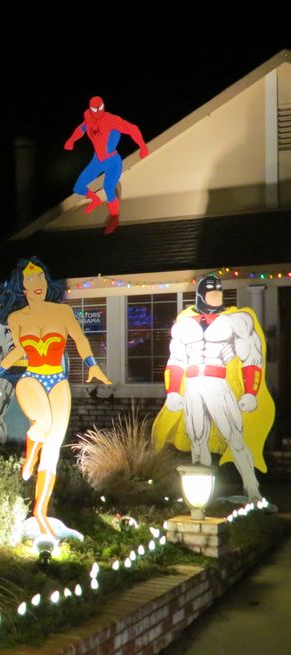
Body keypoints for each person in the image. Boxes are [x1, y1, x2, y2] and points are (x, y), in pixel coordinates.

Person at [0, 258, 110, 543]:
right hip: (32, 378)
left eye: (39, 277)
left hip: (57, 381)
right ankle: (29, 455)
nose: (36, 284)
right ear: (22, 287)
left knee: (52, 449)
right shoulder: (17, 318)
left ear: (46, 281)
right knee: (43, 423)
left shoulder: (62, 311)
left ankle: (40, 511)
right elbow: (18, 352)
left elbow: (79, 339)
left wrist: (91, 364)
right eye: (29, 280)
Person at [152, 274, 274, 499]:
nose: (216, 296)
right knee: (197, 439)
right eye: (211, 292)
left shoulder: (235, 321)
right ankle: (200, 495)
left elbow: (251, 358)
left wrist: (250, 392)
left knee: (235, 437)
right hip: (193, 385)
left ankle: (252, 488)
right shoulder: (184, 324)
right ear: (201, 295)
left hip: (218, 384)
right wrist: (173, 391)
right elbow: (176, 360)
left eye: (219, 292)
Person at [65, 96, 149, 235]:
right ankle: (95, 200)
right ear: (90, 109)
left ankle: (114, 217)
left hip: (112, 161)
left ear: (103, 106)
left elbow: (132, 129)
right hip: (97, 161)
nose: (97, 112)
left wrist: (143, 147)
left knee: (108, 187)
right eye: (94, 109)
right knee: (78, 187)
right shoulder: (88, 119)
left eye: (100, 108)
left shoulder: (111, 120)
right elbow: (80, 129)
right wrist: (71, 141)